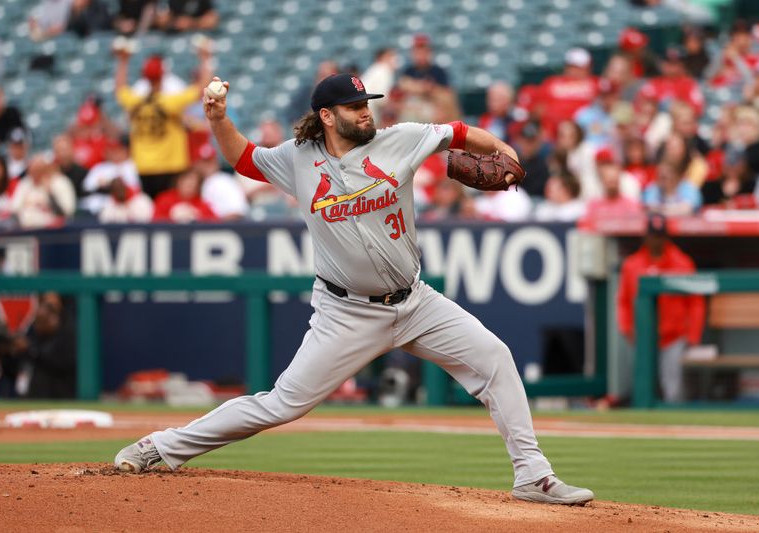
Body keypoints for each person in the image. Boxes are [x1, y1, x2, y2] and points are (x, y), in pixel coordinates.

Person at [114, 72, 594, 505]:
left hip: (415, 301)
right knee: (282, 404)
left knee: (494, 357)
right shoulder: (299, 159)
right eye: (355, 106)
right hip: (346, 313)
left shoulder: (400, 139)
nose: (366, 112)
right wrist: (217, 118)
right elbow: (242, 157)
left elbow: (460, 132)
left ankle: (533, 475)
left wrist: (503, 153)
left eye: (367, 103)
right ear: (327, 116)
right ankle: (162, 446)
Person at [617, 214, 705, 403]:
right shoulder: (632, 265)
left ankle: (676, 426)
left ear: (666, 237)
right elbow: (624, 301)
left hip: (673, 336)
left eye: (660, 235)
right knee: (641, 385)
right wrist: (626, 328)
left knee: (672, 386)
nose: (656, 240)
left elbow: (696, 302)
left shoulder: (682, 262)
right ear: (645, 236)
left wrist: (693, 335)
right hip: (642, 337)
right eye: (652, 235)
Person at [114, 46, 211, 198]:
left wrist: (123, 61)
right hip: (170, 165)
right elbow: (202, 88)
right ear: (163, 76)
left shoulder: (135, 102)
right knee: (168, 213)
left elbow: (120, 89)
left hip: (144, 166)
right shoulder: (169, 102)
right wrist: (205, 58)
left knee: (152, 213)